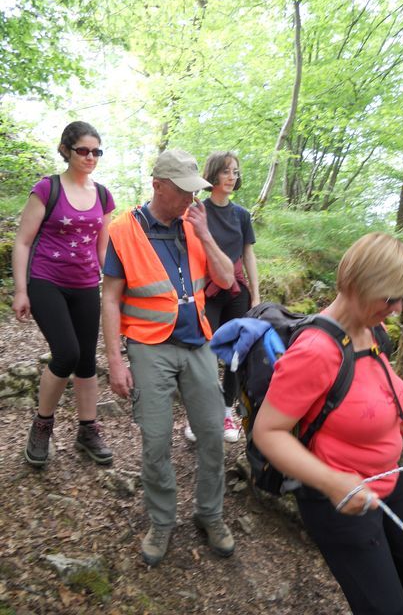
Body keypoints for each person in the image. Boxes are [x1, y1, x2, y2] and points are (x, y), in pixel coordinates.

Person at [253, 232, 403, 615]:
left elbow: (383, 403)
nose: (398, 308)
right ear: (356, 285)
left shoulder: (372, 332)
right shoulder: (315, 351)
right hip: (338, 495)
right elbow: (268, 432)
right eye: (390, 298)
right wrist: (333, 483)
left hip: (386, 477)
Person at [101, 148, 236, 566]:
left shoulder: (196, 222)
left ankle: (210, 513)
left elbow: (228, 279)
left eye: (194, 191)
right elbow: (109, 298)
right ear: (158, 186)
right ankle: (162, 520)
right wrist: (115, 361)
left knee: (213, 433)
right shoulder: (122, 230)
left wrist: (207, 234)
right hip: (148, 345)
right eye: (182, 192)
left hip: (197, 342)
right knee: (156, 440)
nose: (190, 200)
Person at [12, 121, 115, 467]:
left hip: (86, 285)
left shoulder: (102, 195)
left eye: (96, 151)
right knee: (66, 353)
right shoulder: (46, 189)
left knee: (87, 360)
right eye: (83, 150)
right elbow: (23, 241)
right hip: (46, 281)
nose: (90, 157)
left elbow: (103, 251)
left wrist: (117, 284)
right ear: (67, 150)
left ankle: (87, 430)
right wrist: (21, 290)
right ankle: (42, 425)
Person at [184, 151, 260, 444]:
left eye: (236, 172)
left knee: (235, 355)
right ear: (213, 174)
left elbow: (248, 255)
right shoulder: (198, 211)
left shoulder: (241, 215)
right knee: (203, 354)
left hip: (237, 293)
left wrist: (256, 296)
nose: (232, 177)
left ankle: (227, 413)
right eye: (227, 171)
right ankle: (199, 416)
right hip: (206, 292)